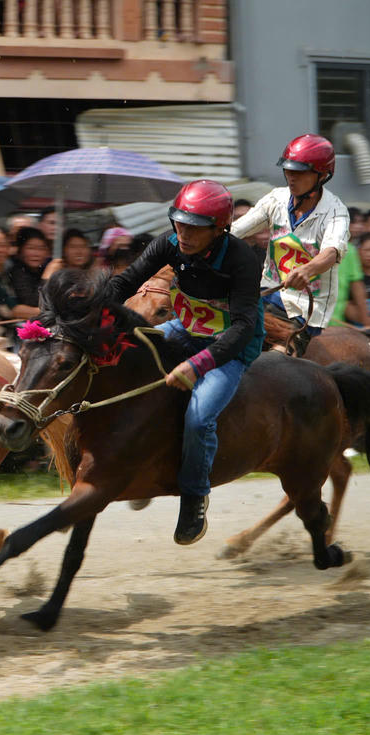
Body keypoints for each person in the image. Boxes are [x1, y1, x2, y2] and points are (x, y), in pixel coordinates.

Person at [104, 179, 263, 546]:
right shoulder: (168, 243)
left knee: (198, 417)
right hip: (184, 327)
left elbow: (243, 327)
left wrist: (198, 365)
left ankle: (194, 498)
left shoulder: (242, 259)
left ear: (219, 229)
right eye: (179, 223)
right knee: (127, 363)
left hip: (230, 345)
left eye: (194, 228)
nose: (184, 234)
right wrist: (87, 306)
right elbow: (126, 282)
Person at [230, 134, 350, 356]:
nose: (291, 178)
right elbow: (235, 232)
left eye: (299, 172)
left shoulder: (336, 212)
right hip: (264, 295)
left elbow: (332, 252)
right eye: (288, 170)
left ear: (322, 175)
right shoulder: (275, 199)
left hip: (303, 308)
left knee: (277, 361)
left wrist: (307, 269)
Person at [5, 226, 49, 323]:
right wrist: (47, 277)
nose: (36, 254)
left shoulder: (43, 269)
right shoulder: (17, 271)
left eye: (41, 248)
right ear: (20, 251)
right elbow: (32, 302)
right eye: (31, 248)